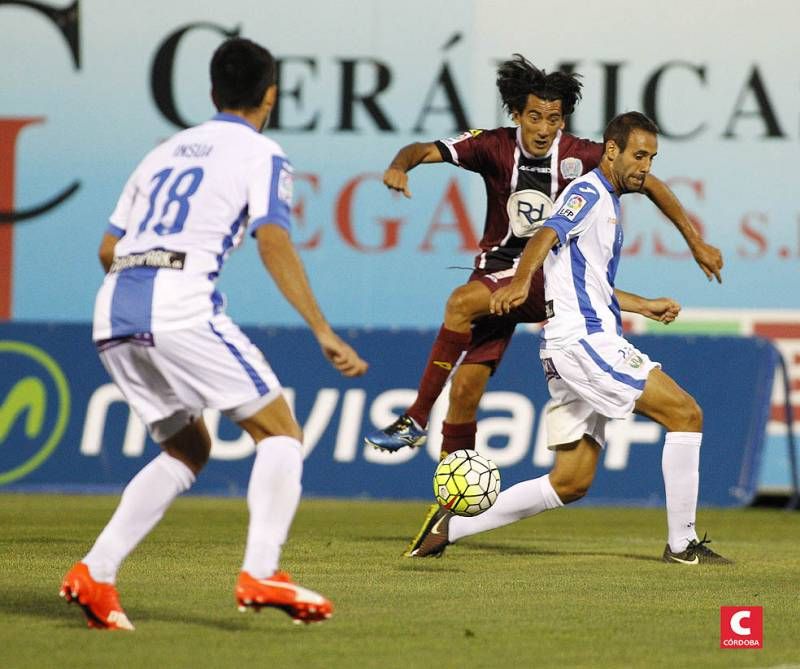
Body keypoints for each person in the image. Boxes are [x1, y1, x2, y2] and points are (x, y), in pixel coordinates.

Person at [58, 37, 368, 630]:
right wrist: (322, 328)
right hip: (180, 304)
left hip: (114, 309)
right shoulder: (262, 153)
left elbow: (106, 247)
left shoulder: (162, 153)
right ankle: (261, 572)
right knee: (280, 432)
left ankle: (96, 572)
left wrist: (140, 293)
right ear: (270, 95)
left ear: (211, 93)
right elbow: (272, 239)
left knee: (188, 447)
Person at [406, 112, 731, 566]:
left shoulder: (609, 200)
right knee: (686, 414)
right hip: (585, 343)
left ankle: (450, 526)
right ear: (611, 150)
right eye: (639, 155)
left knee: (571, 482)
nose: (646, 167)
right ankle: (683, 545)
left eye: (653, 158)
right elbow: (548, 231)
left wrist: (641, 304)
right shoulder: (588, 191)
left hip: (570, 345)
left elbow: (586, 283)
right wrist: (520, 281)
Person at [364, 55, 723, 459]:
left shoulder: (580, 154)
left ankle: (414, 418)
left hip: (538, 278)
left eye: (554, 119)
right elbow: (423, 149)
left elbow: (650, 183)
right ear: (517, 114)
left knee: (460, 304)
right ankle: (450, 509)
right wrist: (399, 166)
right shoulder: (492, 146)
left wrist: (695, 241)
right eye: (535, 117)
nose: (544, 129)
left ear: (563, 121)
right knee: (464, 392)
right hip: (497, 274)